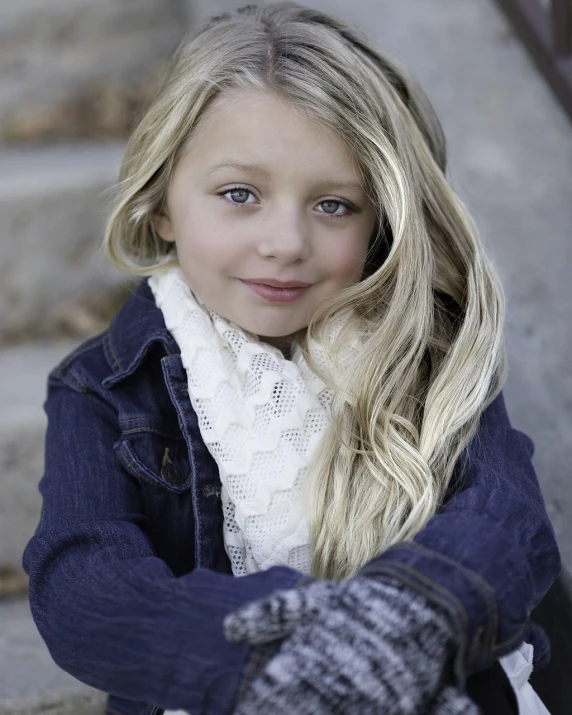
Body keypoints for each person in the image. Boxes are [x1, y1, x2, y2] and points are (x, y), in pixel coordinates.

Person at [22, 3, 560, 714]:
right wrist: (277, 662)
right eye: (239, 194)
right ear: (162, 205)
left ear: (380, 224)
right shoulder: (105, 389)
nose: (285, 242)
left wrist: (399, 626)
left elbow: (508, 521)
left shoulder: (426, 350)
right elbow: (83, 584)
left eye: (334, 205)